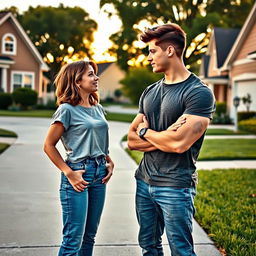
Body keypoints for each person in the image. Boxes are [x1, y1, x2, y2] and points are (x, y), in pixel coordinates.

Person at [128, 23, 215, 256]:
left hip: (175, 185)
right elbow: (131, 141)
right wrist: (167, 135)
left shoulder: (198, 93)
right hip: (144, 181)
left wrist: (147, 132)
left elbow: (179, 144)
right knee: (149, 246)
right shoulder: (149, 92)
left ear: (170, 51)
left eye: (152, 51)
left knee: (181, 251)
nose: (148, 58)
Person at [44, 60, 114, 256]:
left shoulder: (97, 107)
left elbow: (96, 137)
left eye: (94, 73)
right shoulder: (66, 110)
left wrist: (108, 159)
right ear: (76, 81)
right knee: (73, 239)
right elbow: (48, 145)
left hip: (99, 174)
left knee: (89, 236)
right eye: (90, 74)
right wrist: (69, 173)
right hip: (78, 174)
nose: (96, 77)